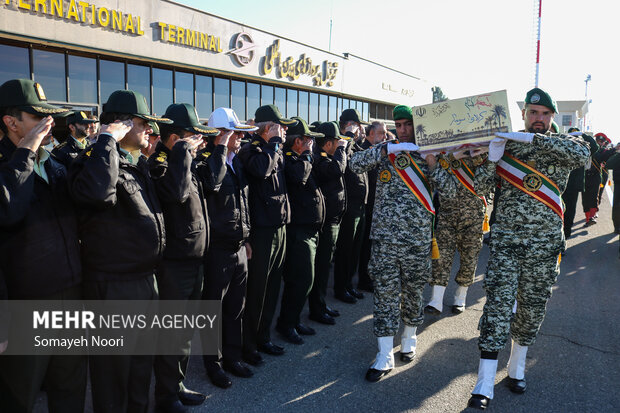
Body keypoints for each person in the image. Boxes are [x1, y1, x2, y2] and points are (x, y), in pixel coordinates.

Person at [467, 88, 590, 409]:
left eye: (545, 114)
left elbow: (584, 158)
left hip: (545, 245)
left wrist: (531, 141)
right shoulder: (505, 143)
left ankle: (517, 369)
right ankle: (483, 383)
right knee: (496, 308)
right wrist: (493, 158)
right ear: (523, 114)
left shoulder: (564, 146)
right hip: (507, 243)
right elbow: (478, 189)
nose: (539, 119)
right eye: (533, 113)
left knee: (532, 309)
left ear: (552, 117)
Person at [68, 89, 170, 413]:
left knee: (140, 371)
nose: (150, 131)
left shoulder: (138, 163)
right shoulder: (94, 162)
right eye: (144, 124)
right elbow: (98, 194)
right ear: (122, 125)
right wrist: (106, 140)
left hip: (144, 281)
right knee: (113, 378)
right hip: (114, 287)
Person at [349, 105, 456, 382]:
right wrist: (383, 151)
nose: (404, 130)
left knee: (412, 292)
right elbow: (354, 164)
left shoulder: (432, 154)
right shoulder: (387, 150)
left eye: (408, 124)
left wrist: (432, 163)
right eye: (399, 125)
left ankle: (409, 336)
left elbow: (451, 190)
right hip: (384, 239)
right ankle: (384, 354)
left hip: (416, 240)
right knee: (384, 295)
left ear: (418, 126)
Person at [0, 79, 86, 413]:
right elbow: (8, 211)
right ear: (11, 122)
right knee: (19, 393)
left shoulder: (54, 162)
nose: (49, 124)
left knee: (71, 386)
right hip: (25, 306)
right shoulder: (11, 164)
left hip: (70, 293)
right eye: (39, 117)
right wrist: (25, 152)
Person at [148, 103, 218, 412]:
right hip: (174, 262)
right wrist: (181, 153)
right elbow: (175, 193)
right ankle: (165, 396)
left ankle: (177, 385)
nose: (199, 141)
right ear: (176, 137)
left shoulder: (184, 159)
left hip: (194, 258)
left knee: (185, 332)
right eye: (193, 136)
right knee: (171, 333)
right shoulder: (160, 161)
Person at [200, 107, 257, 387]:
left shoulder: (237, 161)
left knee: (236, 307)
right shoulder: (208, 161)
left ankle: (233, 358)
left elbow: (242, 202)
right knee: (213, 310)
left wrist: (246, 240)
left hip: (238, 247)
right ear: (221, 134)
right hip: (218, 250)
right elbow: (212, 183)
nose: (241, 138)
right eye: (235, 133)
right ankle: (214, 364)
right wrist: (220, 148)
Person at [237, 105, 296, 361]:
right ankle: (248, 345)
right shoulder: (251, 149)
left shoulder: (275, 149)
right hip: (261, 232)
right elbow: (262, 170)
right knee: (257, 291)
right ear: (266, 128)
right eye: (279, 126)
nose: (283, 130)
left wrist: (276, 145)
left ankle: (264, 337)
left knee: (272, 287)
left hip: (279, 226)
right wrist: (272, 142)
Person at [276, 117, 325, 344]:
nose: (311, 144)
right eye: (307, 140)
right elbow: (299, 177)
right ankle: (286, 324)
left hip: (310, 229)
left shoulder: (302, 158)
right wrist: (306, 155)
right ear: (298, 142)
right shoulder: (290, 159)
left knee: (306, 279)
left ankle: (293, 320)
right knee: (301, 279)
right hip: (298, 231)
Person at [425, 148, 490, 315]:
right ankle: (436, 300)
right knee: (441, 257)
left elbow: (488, 179)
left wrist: (478, 156)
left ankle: (460, 297)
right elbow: (434, 171)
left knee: (469, 258)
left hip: (473, 216)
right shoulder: (446, 150)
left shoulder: (483, 151)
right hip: (448, 213)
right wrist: (452, 156)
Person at [307, 122, 349, 325]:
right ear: (329, 143)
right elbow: (336, 171)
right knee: (322, 267)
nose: (339, 145)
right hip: (325, 222)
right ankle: (316, 308)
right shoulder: (319, 159)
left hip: (333, 218)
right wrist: (342, 149)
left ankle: (321, 304)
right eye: (337, 142)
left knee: (325, 268)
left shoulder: (329, 157)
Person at [333, 108, 369, 304]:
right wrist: (347, 136)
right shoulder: (341, 142)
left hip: (360, 205)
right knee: (345, 250)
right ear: (348, 125)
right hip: (349, 207)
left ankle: (348, 285)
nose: (360, 129)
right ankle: (341, 288)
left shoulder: (354, 144)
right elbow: (343, 161)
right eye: (357, 125)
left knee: (355, 250)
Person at [357, 121, 388, 293]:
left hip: (375, 203)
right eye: (381, 133)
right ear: (370, 133)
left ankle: (368, 277)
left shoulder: (377, 149)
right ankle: (364, 279)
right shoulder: (365, 150)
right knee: (365, 247)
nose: (384, 136)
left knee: (371, 246)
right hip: (367, 205)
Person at [562, 128, 598, 239]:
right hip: (560, 184)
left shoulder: (582, 149)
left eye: (576, 137)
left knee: (569, 212)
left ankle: (566, 235)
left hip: (573, 185)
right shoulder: (563, 145)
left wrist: (584, 135)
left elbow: (595, 147)